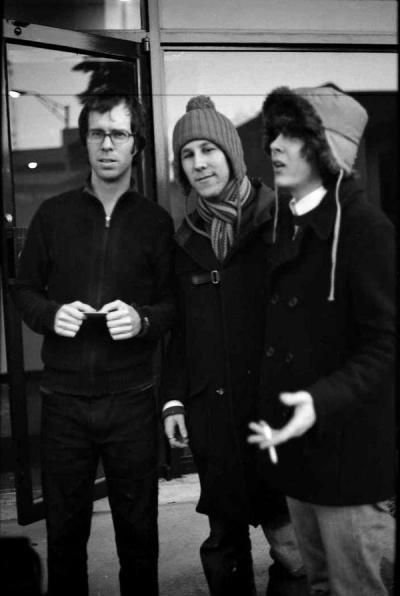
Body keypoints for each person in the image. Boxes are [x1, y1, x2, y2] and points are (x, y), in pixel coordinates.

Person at [11, 89, 175, 596]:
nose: (107, 144)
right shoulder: (53, 215)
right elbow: (23, 289)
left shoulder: (154, 222)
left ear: (136, 145)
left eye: (118, 134)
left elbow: (173, 305)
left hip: (132, 400)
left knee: (139, 536)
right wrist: (51, 315)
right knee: (64, 536)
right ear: (85, 142)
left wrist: (142, 320)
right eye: (98, 133)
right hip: (63, 402)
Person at [249, 83, 396, 596]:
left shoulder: (365, 228)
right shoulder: (287, 222)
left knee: (354, 589)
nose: (275, 145)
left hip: (348, 458)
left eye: (292, 134)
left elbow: (386, 344)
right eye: (274, 133)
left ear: (327, 147)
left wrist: (321, 400)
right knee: (319, 585)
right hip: (299, 452)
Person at [162, 96, 306, 596]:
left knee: (294, 551)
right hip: (214, 419)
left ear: (232, 155)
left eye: (209, 149)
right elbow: (180, 333)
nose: (199, 163)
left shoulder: (282, 221)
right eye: (187, 154)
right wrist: (174, 399)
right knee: (224, 545)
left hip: (277, 419)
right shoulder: (184, 241)